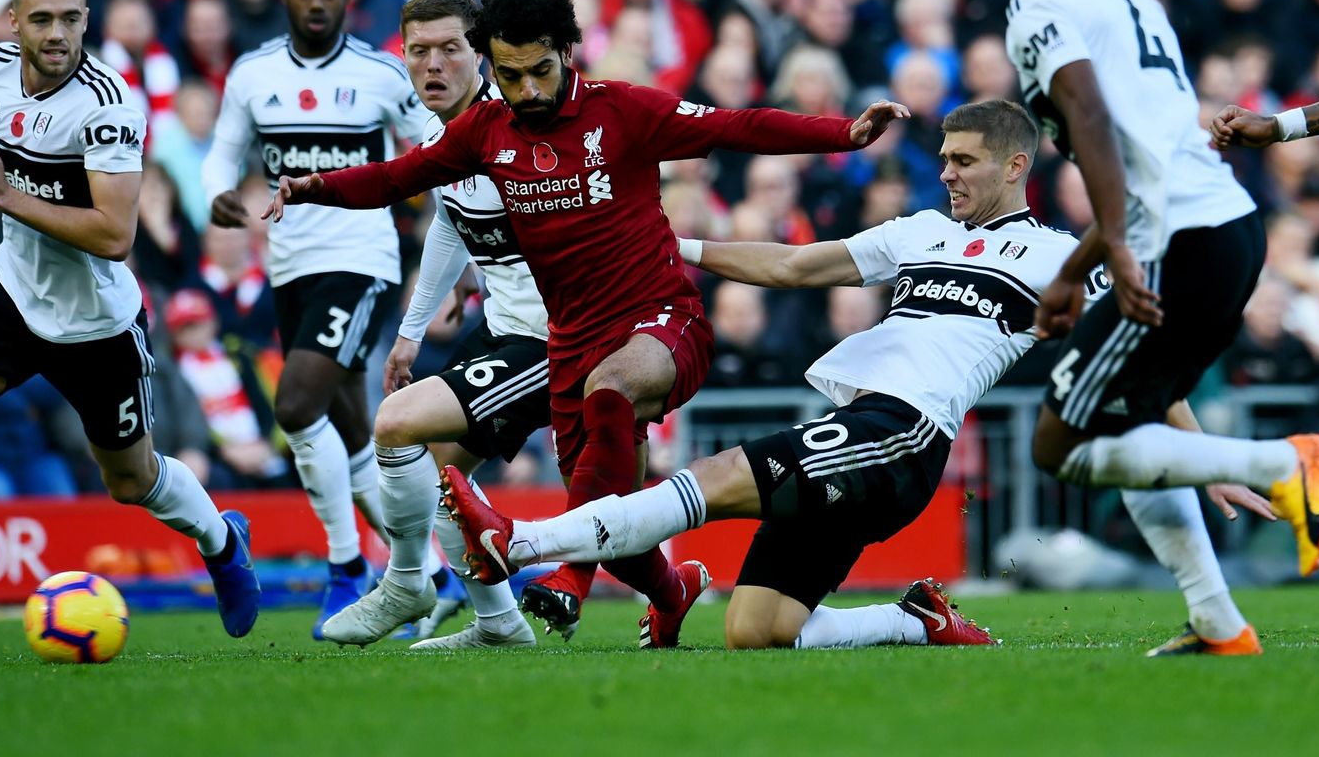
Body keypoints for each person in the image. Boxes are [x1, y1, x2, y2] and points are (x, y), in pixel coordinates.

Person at [265, 0, 907, 643]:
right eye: (510, 76)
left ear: (566, 53)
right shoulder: (484, 132)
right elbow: (399, 177)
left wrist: (845, 133)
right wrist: (314, 186)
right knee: (610, 514)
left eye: (541, 70)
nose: (530, 90)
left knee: (612, 392)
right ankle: (671, 589)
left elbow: (733, 124)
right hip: (572, 341)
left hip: (663, 318)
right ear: (491, 66)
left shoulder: (621, 110)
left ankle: (566, 577)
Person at [439, 101, 1066, 650]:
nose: (946, 173)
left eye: (963, 160)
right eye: (944, 158)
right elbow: (793, 266)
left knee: (717, 476)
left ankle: (520, 542)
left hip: (906, 435)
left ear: (1014, 167)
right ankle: (915, 621)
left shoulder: (1057, 255)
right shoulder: (924, 231)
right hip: (856, 428)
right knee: (756, 631)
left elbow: (1122, 321)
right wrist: (675, 246)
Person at [993, 0, 1319, 655]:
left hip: (1175, 238)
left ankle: (1288, 461)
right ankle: (1218, 621)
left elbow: (1091, 115)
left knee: (1057, 445)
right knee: (1124, 415)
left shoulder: (1037, 4)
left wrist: (1087, 266)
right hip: (1224, 226)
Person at [0, 0, 260, 637]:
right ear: (14, 21)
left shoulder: (110, 104)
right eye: (42, 19)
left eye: (70, 18)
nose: (57, 33)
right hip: (15, 292)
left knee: (132, 481)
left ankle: (221, 541)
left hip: (96, 322)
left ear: (87, 19)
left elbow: (114, 234)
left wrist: (6, 195)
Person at [202, 0, 428, 639]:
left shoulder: (382, 74)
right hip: (291, 267)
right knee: (354, 432)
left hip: (364, 261)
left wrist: (457, 262)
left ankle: (346, 568)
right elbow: (220, 159)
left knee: (297, 404)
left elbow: (439, 152)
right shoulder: (252, 74)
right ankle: (437, 571)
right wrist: (218, 197)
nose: (318, 3)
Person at [321, 0, 546, 649]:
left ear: (481, 53)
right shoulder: (436, 132)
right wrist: (411, 332)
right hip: (505, 325)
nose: (433, 65)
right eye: (418, 52)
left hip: (557, 337)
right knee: (442, 472)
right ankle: (499, 622)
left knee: (398, 429)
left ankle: (407, 580)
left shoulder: (523, 124)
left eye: (450, 49)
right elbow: (451, 226)